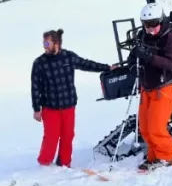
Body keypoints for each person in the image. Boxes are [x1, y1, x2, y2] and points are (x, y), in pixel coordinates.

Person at [31, 28, 115, 168]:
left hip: (68, 104)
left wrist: (107, 68)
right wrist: (36, 109)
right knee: (51, 137)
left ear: (56, 43)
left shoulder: (68, 57)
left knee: (68, 135)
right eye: (43, 44)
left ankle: (64, 163)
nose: (44, 47)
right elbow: (35, 87)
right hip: (50, 107)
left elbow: (86, 64)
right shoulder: (39, 63)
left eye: (47, 44)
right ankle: (44, 163)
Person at [127, 4, 172, 171]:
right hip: (147, 87)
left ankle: (167, 156)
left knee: (156, 126)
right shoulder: (143, 35)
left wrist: (149, 56)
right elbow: (133, 56)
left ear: (161, 20)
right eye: (146, 24)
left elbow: (170, 64)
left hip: (163, 87)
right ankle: (154, 156)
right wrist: (132, 64)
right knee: (144, 127)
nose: (150, 28)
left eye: (153, 23)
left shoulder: (171, 38)